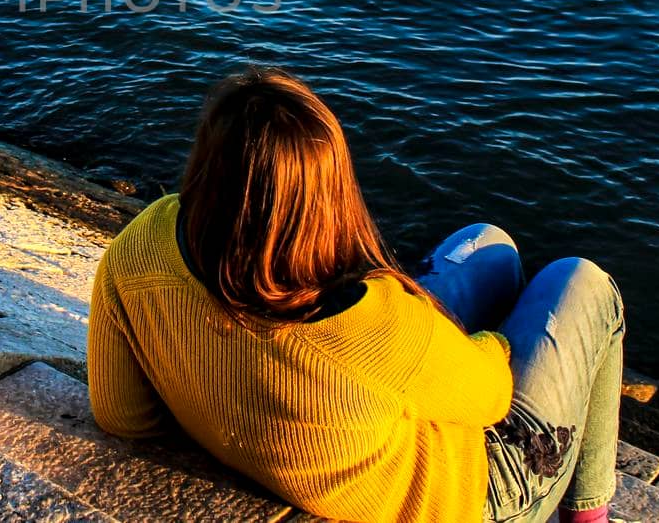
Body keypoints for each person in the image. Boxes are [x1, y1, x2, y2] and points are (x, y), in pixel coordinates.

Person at [88, 67, 625, 523]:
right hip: (471, 494)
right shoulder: (375, 323)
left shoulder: (143, 241)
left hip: (373, 387)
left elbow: (121, 415)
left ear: (206, 161)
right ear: (330, 186)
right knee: (583, 281)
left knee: (489, 244)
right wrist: (489, 344)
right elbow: (491, 397)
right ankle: (589, 512)